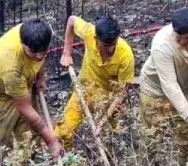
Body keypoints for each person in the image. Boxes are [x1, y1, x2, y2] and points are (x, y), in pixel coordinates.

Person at [0, 18, 63, 160]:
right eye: (33, 52)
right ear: (22, 44)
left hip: (22, 85)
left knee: (29, 136)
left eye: (43, 51)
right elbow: (25, 108)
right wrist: (51, 141)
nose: (39, 56)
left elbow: (40, 57)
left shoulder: (36, 34)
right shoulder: (11, 63)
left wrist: (40, 77)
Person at [138, 8, 188, 166]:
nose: (181, 42)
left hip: (185, 89)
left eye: (187, 38)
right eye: (178, 38)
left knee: (185, 135)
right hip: (154, 91)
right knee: (152, 136)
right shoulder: (161, 44)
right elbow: (170, 85)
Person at [57, 14, 135, 146]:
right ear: (95, 38)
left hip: (108, 100)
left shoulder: (126, 55)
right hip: (84, 89)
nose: (110, 49)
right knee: (64, 133)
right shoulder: (89, 32)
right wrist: (66, 53)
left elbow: (122, 93)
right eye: (105, 45)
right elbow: (71, 20)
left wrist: (103, 121)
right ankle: (68, 164)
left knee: (112, 139)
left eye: (113, 45)